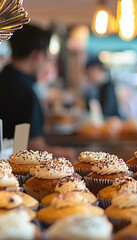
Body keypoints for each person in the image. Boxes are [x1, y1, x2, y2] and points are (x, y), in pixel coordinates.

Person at [0, 24, 76, 161]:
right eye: (47, 56)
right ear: (38, 54)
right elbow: (32, 146)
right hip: (13, 172)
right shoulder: (24, 90)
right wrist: (62, 153)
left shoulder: (4, 77)